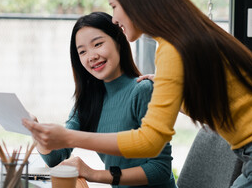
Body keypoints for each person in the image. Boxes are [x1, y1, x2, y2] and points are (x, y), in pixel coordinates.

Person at [23, 0, 252, 187]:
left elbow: (150, 143)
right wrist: (172, 90)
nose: (114, 18)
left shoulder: (171, 49)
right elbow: (226, 100)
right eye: (82, 51)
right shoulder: (183, 38)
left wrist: (71, 140)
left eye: (114, 6)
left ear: (137, 0)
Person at [35, 12, 176, 187]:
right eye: (83, 51)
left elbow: (160, 169)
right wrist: (37, 135)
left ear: (118, 40)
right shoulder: (88, 100)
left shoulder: (143, 90)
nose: (91, 56)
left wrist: (93, 174)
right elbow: (56, 157)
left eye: (98, 44)